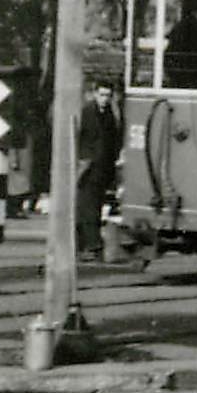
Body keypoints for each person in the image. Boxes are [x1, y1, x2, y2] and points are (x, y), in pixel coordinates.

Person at [76, 81, 121, 259]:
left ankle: (85, 245)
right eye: (102, 95)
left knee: (92, 206)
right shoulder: (87, 112)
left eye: (108, 96)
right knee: (89, 207)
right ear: (94, 94)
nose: (105, 99)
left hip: (103, 168)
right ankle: (93, 245)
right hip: (89, 167)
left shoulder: (108, 113)